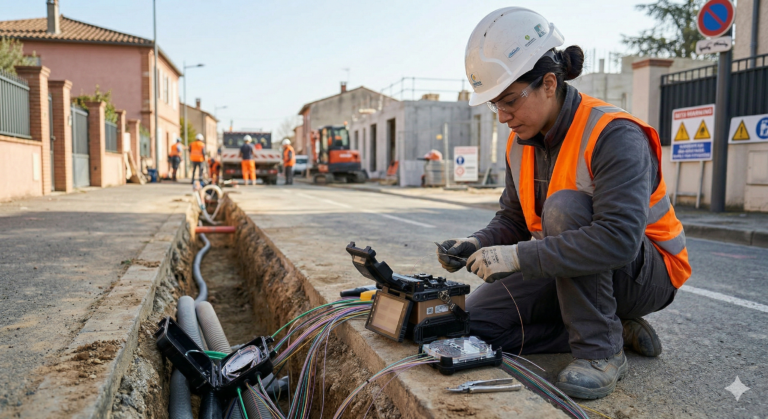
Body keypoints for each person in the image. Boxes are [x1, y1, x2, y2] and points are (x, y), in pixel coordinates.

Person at [436, 7, 690, 400]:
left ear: (549, 83)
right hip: (569, 266)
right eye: (494, 105)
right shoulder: (519, 142)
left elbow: (618, 240)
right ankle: (614, 327)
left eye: (509, 101)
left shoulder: (615, 135)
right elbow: (514, 219)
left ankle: (600, 352)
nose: (503, 116)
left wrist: (518, 258)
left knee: (565, 208)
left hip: (645, 273)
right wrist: (476, 243)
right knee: (475, 324)